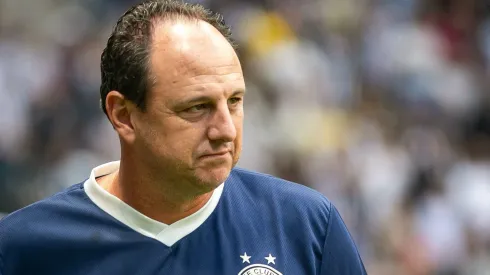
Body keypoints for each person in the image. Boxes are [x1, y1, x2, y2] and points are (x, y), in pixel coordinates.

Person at [0, 1, 367, 274]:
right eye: (196, 107)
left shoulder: (305, 225)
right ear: (123, 116)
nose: (225, 130)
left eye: (235, 101)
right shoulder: (22, 249)